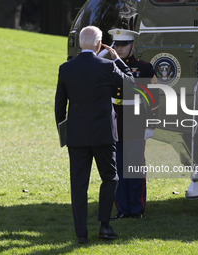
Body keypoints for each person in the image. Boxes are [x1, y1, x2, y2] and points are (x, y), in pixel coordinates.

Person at [54, 26, 135, 244]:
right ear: (100, 45)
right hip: (104, 135)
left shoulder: (66, 68)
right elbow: (131, 83)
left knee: (78, 185)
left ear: (81, 43)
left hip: (76, 136)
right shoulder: (107, 66)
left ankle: (81, 234)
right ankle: (104, 226)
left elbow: (59, 106)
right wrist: (117, 59)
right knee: (110, 178)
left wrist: (64, 134)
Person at [108, 28, 159, 220]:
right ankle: (122, 209)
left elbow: (155, 99)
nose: (119, 49)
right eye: (117, 45)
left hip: (137, 124)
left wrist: (151, 126)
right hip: (115, 125)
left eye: (123, 45)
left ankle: (137, 210)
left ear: (132, 45)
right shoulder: (108, 65)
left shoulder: (145, 68)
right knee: (118, 169)